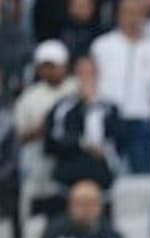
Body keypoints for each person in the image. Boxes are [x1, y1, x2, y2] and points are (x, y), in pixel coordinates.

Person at [89, 0, 150, 173]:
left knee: (141, 174)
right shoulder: (102, 46)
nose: (132, 18)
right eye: (127, 12)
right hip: (108, 118)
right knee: (106, 173)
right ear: (119, 15)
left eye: (137, 13)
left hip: (141, 119)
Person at [44, 56, 124, 204]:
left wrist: (104, 148)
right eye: (82, 73)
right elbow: (53, 140)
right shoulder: (63, 107)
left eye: (91, 73)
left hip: (100, 175)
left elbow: (119, 140)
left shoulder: (110, 108)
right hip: (70, 173)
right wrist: (83, 143)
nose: (86, 78)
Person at [16, 40, 78, 215]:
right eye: (45, 66)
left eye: (54, 66)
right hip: (40, 157)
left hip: (70, 156)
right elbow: (19, 137)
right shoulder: (29, 97)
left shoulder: (76, 88)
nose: (50, 71)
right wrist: (43, 129)